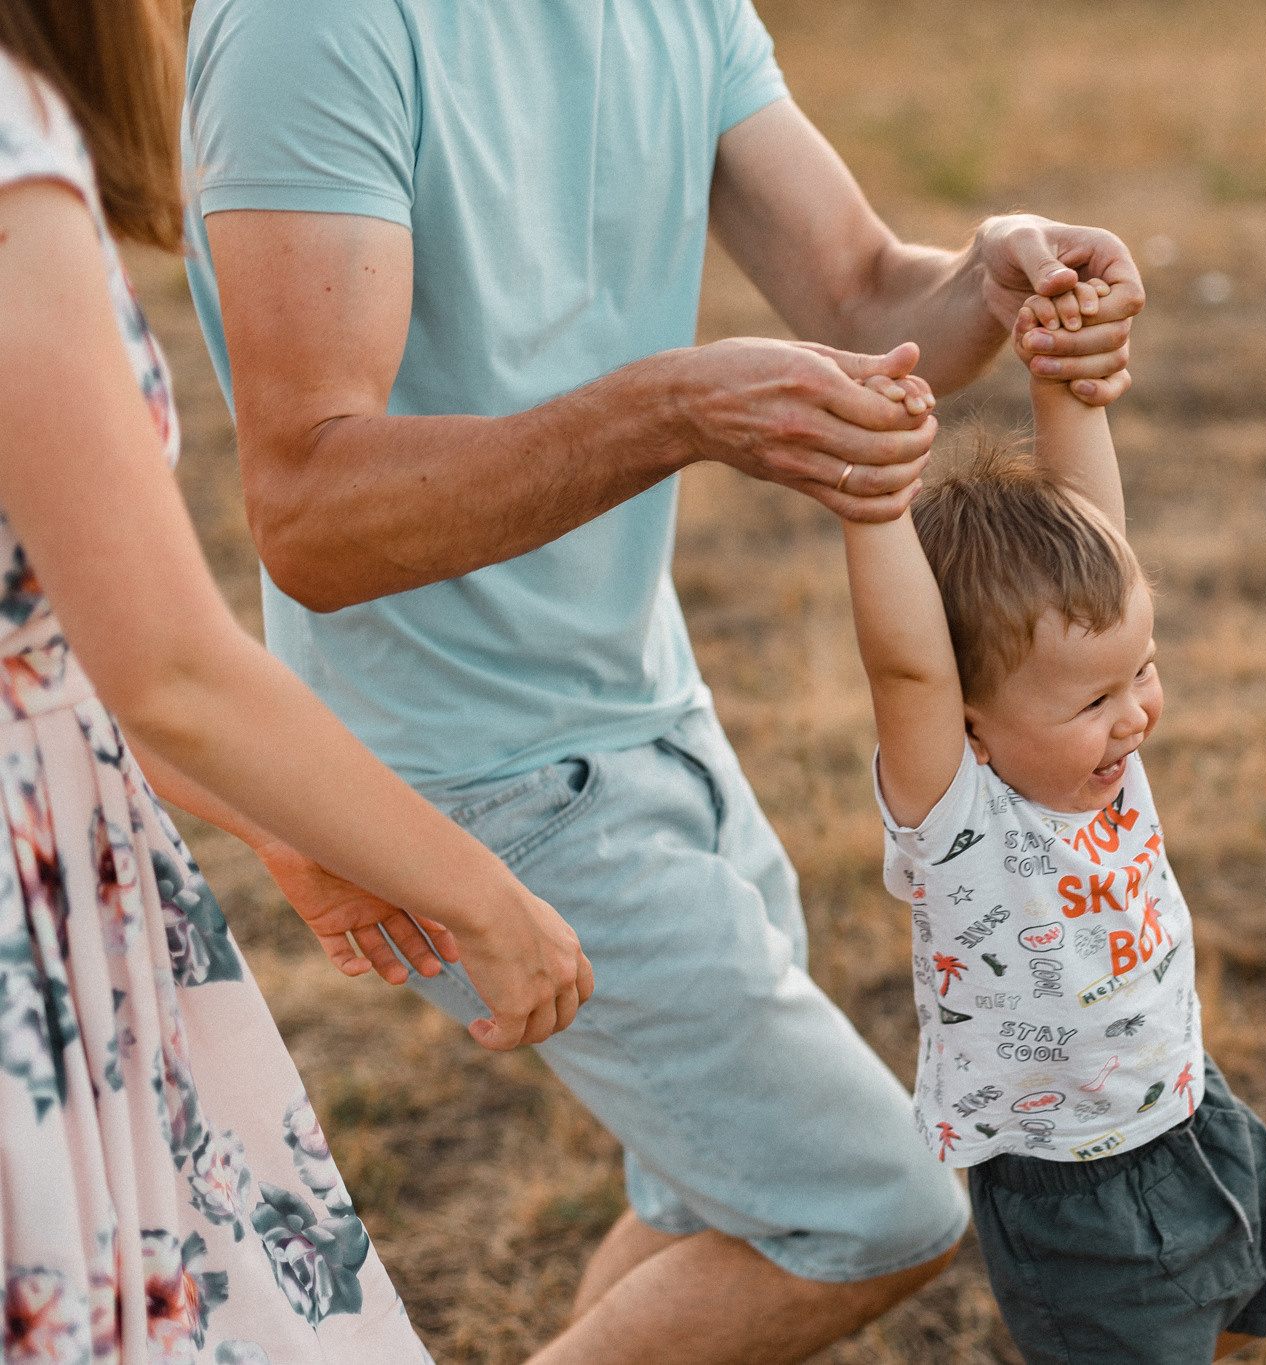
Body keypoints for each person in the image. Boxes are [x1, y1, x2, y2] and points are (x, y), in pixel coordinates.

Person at [181, 0, 1144, 1359]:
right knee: (874, 1210)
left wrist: (993, 276)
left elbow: (865, 290)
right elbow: (312, 514)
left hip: (652, 709)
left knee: (720, 1209)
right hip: (461, 770)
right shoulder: (314, 25)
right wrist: (673, 407)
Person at [0, 0, 593, 1358]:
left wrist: (275, 818)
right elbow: (173, 667)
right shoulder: (11, 153)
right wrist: (481, 892)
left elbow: (50, 634)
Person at [838, 282, 1266, 1363]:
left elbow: (1095, 533)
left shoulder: (1100, 761)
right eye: (1095, 702)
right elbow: (906, 664)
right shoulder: (957, 817)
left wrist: (1060, 371)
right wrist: (872, 502)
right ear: (968, 726)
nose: (1135, 716)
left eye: (1141, 674)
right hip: (1070, 1192)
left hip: (1193, 1110)